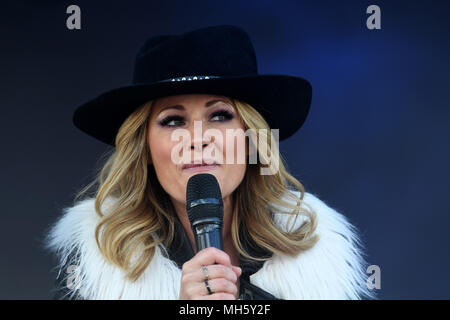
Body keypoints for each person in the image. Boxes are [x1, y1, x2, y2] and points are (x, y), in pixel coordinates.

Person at [45, 25, 375, 300]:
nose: (198, 138)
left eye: (219, 115)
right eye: (173, 121)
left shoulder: (319, 258)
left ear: (252, 139)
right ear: (144, 147)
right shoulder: (96, 262)